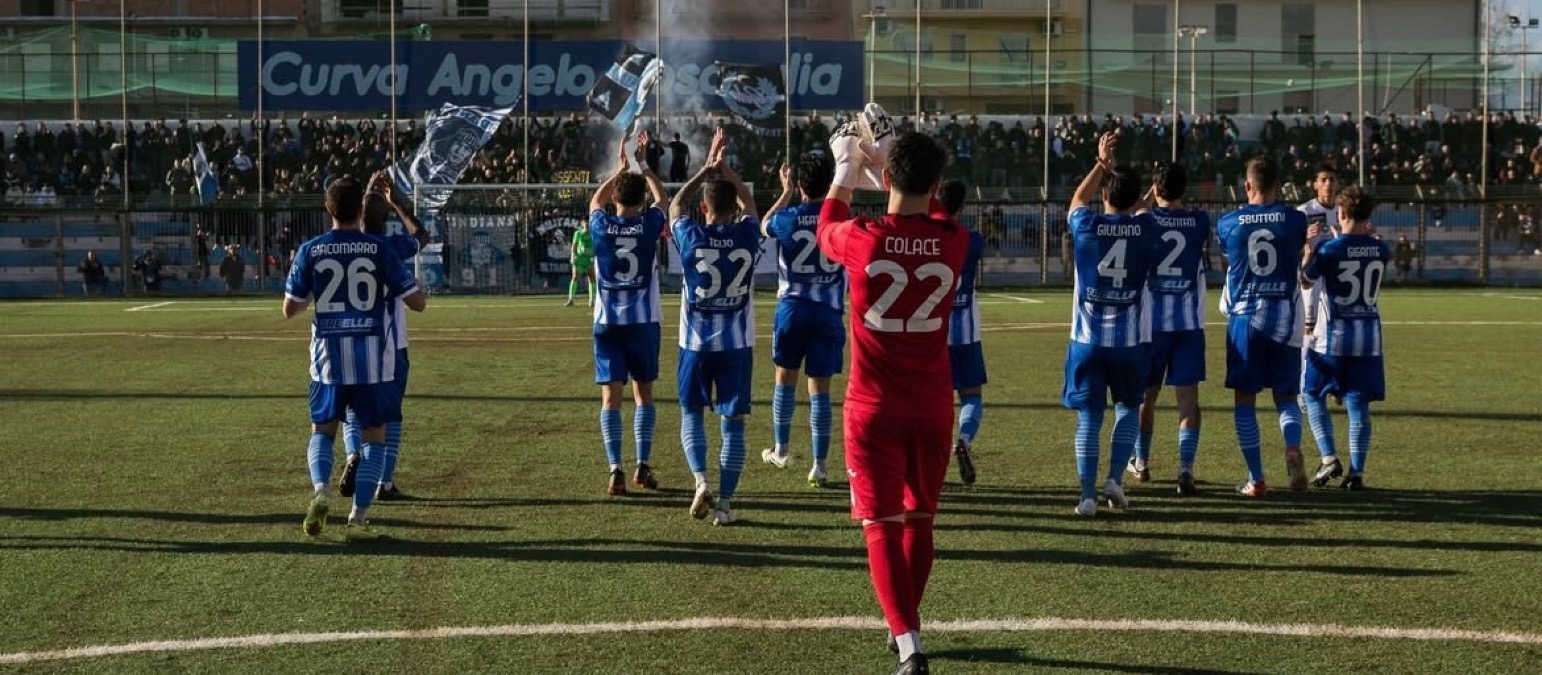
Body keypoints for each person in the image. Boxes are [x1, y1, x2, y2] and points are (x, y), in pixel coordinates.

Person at [818, 105, 968, 675]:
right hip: (931, 403)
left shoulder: (863, 238)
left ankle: (908, 641)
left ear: (888, 182)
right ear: (936, 186)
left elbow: (827, 224)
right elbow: (925, 213)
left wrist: (844, 169)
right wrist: (884, 158)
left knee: (879, 523)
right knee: (920, 518)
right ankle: (905, 627)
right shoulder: (954, 239)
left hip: (872, 404)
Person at [282, 177, 426, 540]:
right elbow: (417, 302)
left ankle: (319, 492)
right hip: (373, 361)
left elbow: (290, 309)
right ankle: (358, 519)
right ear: (359, 211)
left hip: (327, 359)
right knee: (374, 436)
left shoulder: (311, 250)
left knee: (322, 431)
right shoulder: (380, 250)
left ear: (329, 209)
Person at [1062, 131, 1161, 517]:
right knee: (1128, 407)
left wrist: (1102, 165)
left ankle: (1087, 496)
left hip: (1087, 339)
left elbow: (1077, 200)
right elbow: (1142, 214)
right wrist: (1135, 193)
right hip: (1130, 342)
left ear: (1105, 195)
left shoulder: (1086, 225)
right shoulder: (1146, 228)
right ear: (1137, 199)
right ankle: (1115, 478)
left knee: (1090, 415)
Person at [670, 128, 761, 526]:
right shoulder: (746, 232)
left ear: (703, 208)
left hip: (694, 344)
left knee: (691, 413)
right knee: (733, 425)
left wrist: (704, 170)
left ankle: (700, 480)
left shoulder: (691, 234)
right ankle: (724, 505)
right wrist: (727, 172)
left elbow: (675, 205)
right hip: (736, 345)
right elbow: (753, 205)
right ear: (733, 207)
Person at [1217, 157, 1311, 497]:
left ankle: (1256, 479)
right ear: (1278, 185)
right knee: (1286, 396)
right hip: (1285, 320)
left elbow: (1228, 259)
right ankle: (1291, 447)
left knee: (1245, 399)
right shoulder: (1296, 220)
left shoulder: (1228, 223)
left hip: (1246, 320)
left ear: (1247, 186)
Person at [338, 170, 432, 502]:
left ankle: (352, 455)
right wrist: (396, 203)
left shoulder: (341, 247)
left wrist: (366, 195)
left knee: (351, 409)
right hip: (392, 345)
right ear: (385, 219)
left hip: (348, 341)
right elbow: (423, 235)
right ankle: (385, 483)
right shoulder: (391, 247)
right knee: (390, 414)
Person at [589, 131, 671, 496]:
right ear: (639, 199)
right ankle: (642, 464)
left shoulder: (602, 225)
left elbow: (594, 201)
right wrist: (644, 166)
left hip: (607, 323)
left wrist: (618, 170)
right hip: (643, 322)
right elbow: (663, 200)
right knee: (644, 394)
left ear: (616, 199)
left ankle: (615, 469)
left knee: (611, 398)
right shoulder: (650, 224)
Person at [758, 152, 845, 488]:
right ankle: (819, 465)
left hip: (792, 308)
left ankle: (781, 449)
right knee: (820, 388)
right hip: (827, 311)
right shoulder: (838, 220)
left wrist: (785, 191)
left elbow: (765, 224)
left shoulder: (789, 217)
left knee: (785, 378)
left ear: (800, 184)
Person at [1129, 162, 1211, 495]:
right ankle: (1185, 469)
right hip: (1188, 324)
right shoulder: (1199, 221)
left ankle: (1141, 461)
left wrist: (1150, 195)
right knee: (1188, 399)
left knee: (1146, 396)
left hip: (1152, 325)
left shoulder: (1146, 220)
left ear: (1157, 188)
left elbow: (1136, 210)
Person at [1301, 187, 1389, 491]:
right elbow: (1365, 250)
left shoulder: (1330, 249)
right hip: (1368, 339)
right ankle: (1357, 472)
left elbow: (1306, 278)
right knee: (1358, 403)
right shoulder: (1381, 249)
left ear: (1341, 213)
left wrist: (1310, 251)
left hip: (1333, 338)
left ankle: (1328, 457)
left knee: (1311, 393)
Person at [936, 179, 986, 485]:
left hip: (933, 333)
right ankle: (964, 440)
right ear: (963, 207)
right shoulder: (973, 240)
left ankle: (935, 454)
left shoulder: (926, 239)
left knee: (935, 399)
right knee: (971, 396)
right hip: (966, 332)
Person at [566, 217, 596, 307]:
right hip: (579, 259)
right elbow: (574, 245)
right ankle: (571, 299)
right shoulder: (578, 233)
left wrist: (594, 257)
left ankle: (592, 300)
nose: (586, 224)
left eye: (588, 222)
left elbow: (597, 245)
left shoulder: (594, 234)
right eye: (585, 222)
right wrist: (573, 256)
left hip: (589, 259)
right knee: (575, 277)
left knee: (591, 278)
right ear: (582, 224)